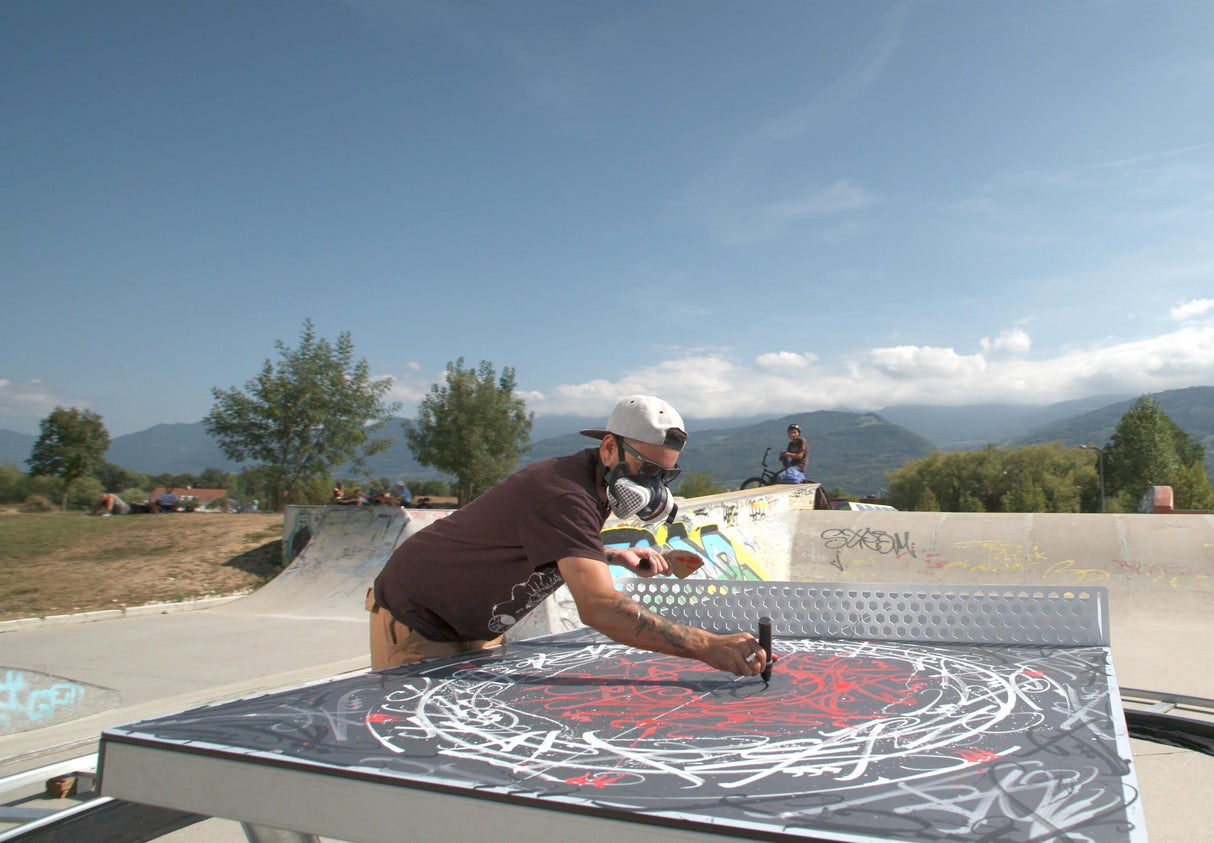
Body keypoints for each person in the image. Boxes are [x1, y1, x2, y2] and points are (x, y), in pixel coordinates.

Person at [368, 394, 769, 678]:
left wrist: (611, 554)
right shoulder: (563, 493)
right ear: (609, 448)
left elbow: (555, 540)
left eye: (665, 475)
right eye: (646, 468)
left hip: (474, 627)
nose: (653, 485)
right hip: (420, 618)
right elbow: (598, 607)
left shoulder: (597, 486)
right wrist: (706, 645)